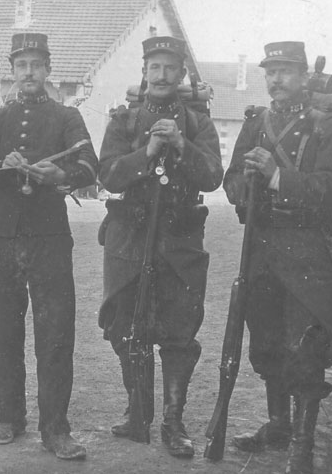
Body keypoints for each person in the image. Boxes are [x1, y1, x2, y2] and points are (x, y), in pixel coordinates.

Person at [0, 32, 97, 460]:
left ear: (48, 69)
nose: (28, 73)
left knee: (55, 333)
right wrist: (2, 165)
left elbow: (88, 166)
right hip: (2, 237)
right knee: (4, 330)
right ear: (12, 70)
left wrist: (59, 176)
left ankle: (56, 429)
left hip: (49, 238)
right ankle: (9, 418)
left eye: (36, 65)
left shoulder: (66, 117)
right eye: (21, 65)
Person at [224, 41, 332, 474]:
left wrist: (278, 177)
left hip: (306, 250)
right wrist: (245, 188)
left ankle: (302, 443)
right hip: (261, 248)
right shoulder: (256, 122)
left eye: (286, 72)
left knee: (305, 348)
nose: (277, 80)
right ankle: (278, 425)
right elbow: (231, 178)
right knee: (266, 342)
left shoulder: (326, 126)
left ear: (303, 78)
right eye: (271, 72)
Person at [97, 36, 223, 458]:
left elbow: (212, 178)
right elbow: (108, 176)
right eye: (155, 67)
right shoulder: (125, 121)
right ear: (145, 72)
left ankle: (172, 419)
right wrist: (147, 151)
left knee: (178, 330)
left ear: (182, 74)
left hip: (179, 240)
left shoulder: (197, 123)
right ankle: (138, 412)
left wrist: (182, 146)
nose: (163, 74)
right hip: (129, 240)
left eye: (171, 67)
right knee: (124, 324)